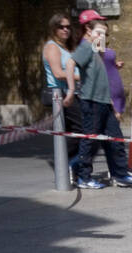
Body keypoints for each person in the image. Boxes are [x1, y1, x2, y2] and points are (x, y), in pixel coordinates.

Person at [70, 10, 132, 188]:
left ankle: (120, 174)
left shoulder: (95, 48)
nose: (103, 35)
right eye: (99, 31)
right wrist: (71, 89)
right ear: (88, 28)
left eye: (105, 32)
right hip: (92, 101)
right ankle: (83, 177)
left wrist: (111, 102)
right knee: (90, 140)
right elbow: (70, 64)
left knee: (115, 138)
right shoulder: (85, 47)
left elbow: (101, 73)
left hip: (104, 101)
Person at [41, 12, 83, 178]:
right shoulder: (52, 47)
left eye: (68, 27)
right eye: (61, 27)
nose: (66, 30)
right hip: (60, 94)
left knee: (76, 131)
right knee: (81, 129)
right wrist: (83, 76)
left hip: (73, 92)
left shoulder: (68, 47)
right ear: (54, 29)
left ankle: (71, 167)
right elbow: (58, 73)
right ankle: (64, 162)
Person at [93, 22, 126, 116]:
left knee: (115, 125)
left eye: (105, 34)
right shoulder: (93, 49)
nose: (103, 36)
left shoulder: (105, 49)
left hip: (116, 93)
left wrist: (115, 65)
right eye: (100, 33)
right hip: (106, 93)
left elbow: (105, 65)